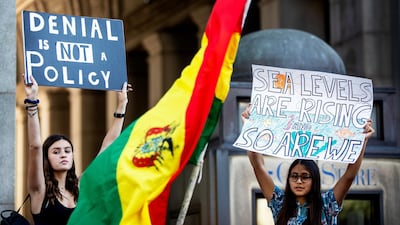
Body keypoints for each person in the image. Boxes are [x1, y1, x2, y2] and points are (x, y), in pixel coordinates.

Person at [23, 74, 133, 225]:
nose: (63, 155)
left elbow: (107, 147)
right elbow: (35, 146)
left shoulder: (79, 188)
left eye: (67, 151)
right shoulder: (39, 191)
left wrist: (122, 104)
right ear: (46, 158)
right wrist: (32, 101)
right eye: (56, 152)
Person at [241, 104, 375, 225]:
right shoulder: (279, 203)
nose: (299, 181)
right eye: (294, 176)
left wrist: (361, 139)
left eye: (305, 176)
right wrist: (251, 128)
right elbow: (258, 166)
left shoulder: (327, 204)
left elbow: (349, 175)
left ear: (314, 179)